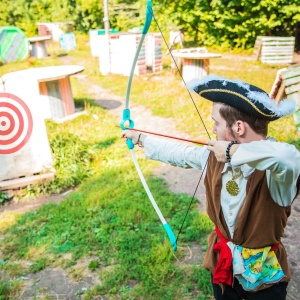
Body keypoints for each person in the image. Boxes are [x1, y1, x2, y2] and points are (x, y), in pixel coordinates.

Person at [121, 74, 300, 300]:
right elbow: (180, 153)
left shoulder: (277, 174)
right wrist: (140, 138)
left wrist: (232, 152)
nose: (213, 130)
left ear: (238, 127)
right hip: (223, 267)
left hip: (264, 281)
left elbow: (289, 157)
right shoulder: (214, 158)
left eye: (216, 123)